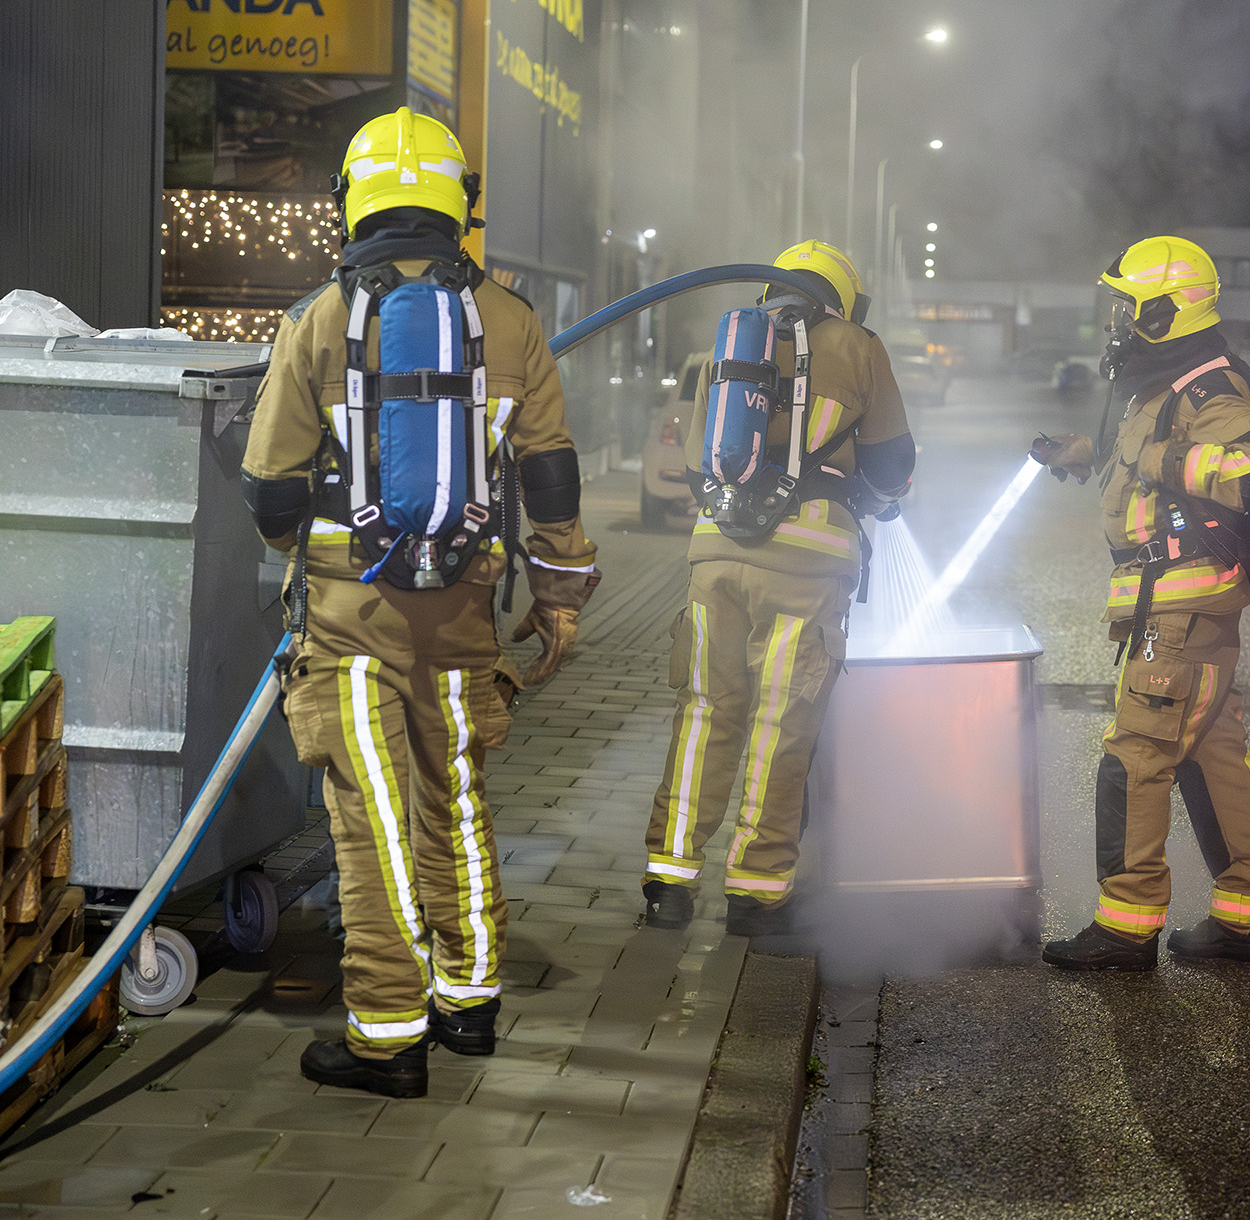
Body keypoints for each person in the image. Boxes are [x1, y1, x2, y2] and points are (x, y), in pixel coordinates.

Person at [241, 108, 600, 1098]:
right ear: (459, 204)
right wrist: (561, 595)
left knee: (371, 817)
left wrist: (317, 532)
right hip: (467, 605)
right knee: (455, 794)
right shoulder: (513, 320)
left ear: (353, 200)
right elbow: (553, 478)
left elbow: (270, 490)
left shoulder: (320, 316)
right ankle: (468, 998)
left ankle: (387, 1036)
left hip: (349, 611)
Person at [1032, 235, 1250, 971]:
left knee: (1137, 755)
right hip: (1182, 606)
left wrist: (1160, 459)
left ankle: (1127, 926)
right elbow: (1143, 460)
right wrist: (1080, 454)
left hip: (1178, 608)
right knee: (1213, 757)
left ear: (1166, 310)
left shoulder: (1208, 386)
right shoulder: (1166, 384)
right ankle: (1245, 916)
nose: (1118, 319)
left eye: (1129, 306)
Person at [641, 241, 915, 936]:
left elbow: (708, 449)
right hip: (807, 564)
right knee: (779, 724)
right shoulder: (859, 347)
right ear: (845, 299)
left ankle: (668, 879)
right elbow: (892, 466)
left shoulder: (735, 345)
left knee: (706, 710)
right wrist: (881, 497)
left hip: (715, 556)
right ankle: (756, 892)